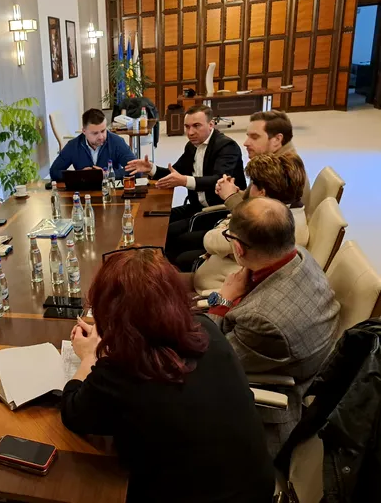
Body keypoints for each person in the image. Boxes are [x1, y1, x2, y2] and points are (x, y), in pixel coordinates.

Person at [61, 248, 274, 503]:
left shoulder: (119, 372)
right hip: (257, 486)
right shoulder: (204, 327)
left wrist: (89, 357)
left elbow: (73, 413)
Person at [207, 197, 340, 455]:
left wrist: (222, 300)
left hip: (268, 413)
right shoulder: (300, 255)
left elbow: (211, 357)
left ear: (238, 248)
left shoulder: (263, 321)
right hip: (301, 366)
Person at [126, 105, 245, 260]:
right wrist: (151, 169)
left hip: (218, 210)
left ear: (211, 125)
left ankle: (164, 266)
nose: (190, 132)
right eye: (187, 127)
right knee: (156, 221)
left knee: (168, 233)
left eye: (196, 126)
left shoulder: (227, 146)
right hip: (196, 205)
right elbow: (175, 173)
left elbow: (218, 180)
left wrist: (184, 181)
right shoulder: (192, 146)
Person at [181, 151, 309, 283]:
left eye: (252, 184)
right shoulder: (288, 211)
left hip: (216, 287)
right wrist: (236, 195)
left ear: (261, 192)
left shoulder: (269, 225)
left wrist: (231, 198)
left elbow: (210, 241)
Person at [216, 110, 310, 209]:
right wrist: (234, 192)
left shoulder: (281, 172)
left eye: (255, 137)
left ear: (277, 139)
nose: (246, 143)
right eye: (248, 136)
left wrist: (230, 196)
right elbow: (254, 200)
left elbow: (257, 216)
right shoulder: (273, 162)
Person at [49, 108, 136, 181]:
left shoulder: (117, 142)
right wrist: (79, 175)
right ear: (84, 131)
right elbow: (54, 172)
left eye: (103, 131)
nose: (101, 137)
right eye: (95, 133)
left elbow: (136, 170)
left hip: (111, 192)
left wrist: (107, 174)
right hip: (83, 193)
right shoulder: (73, 145)